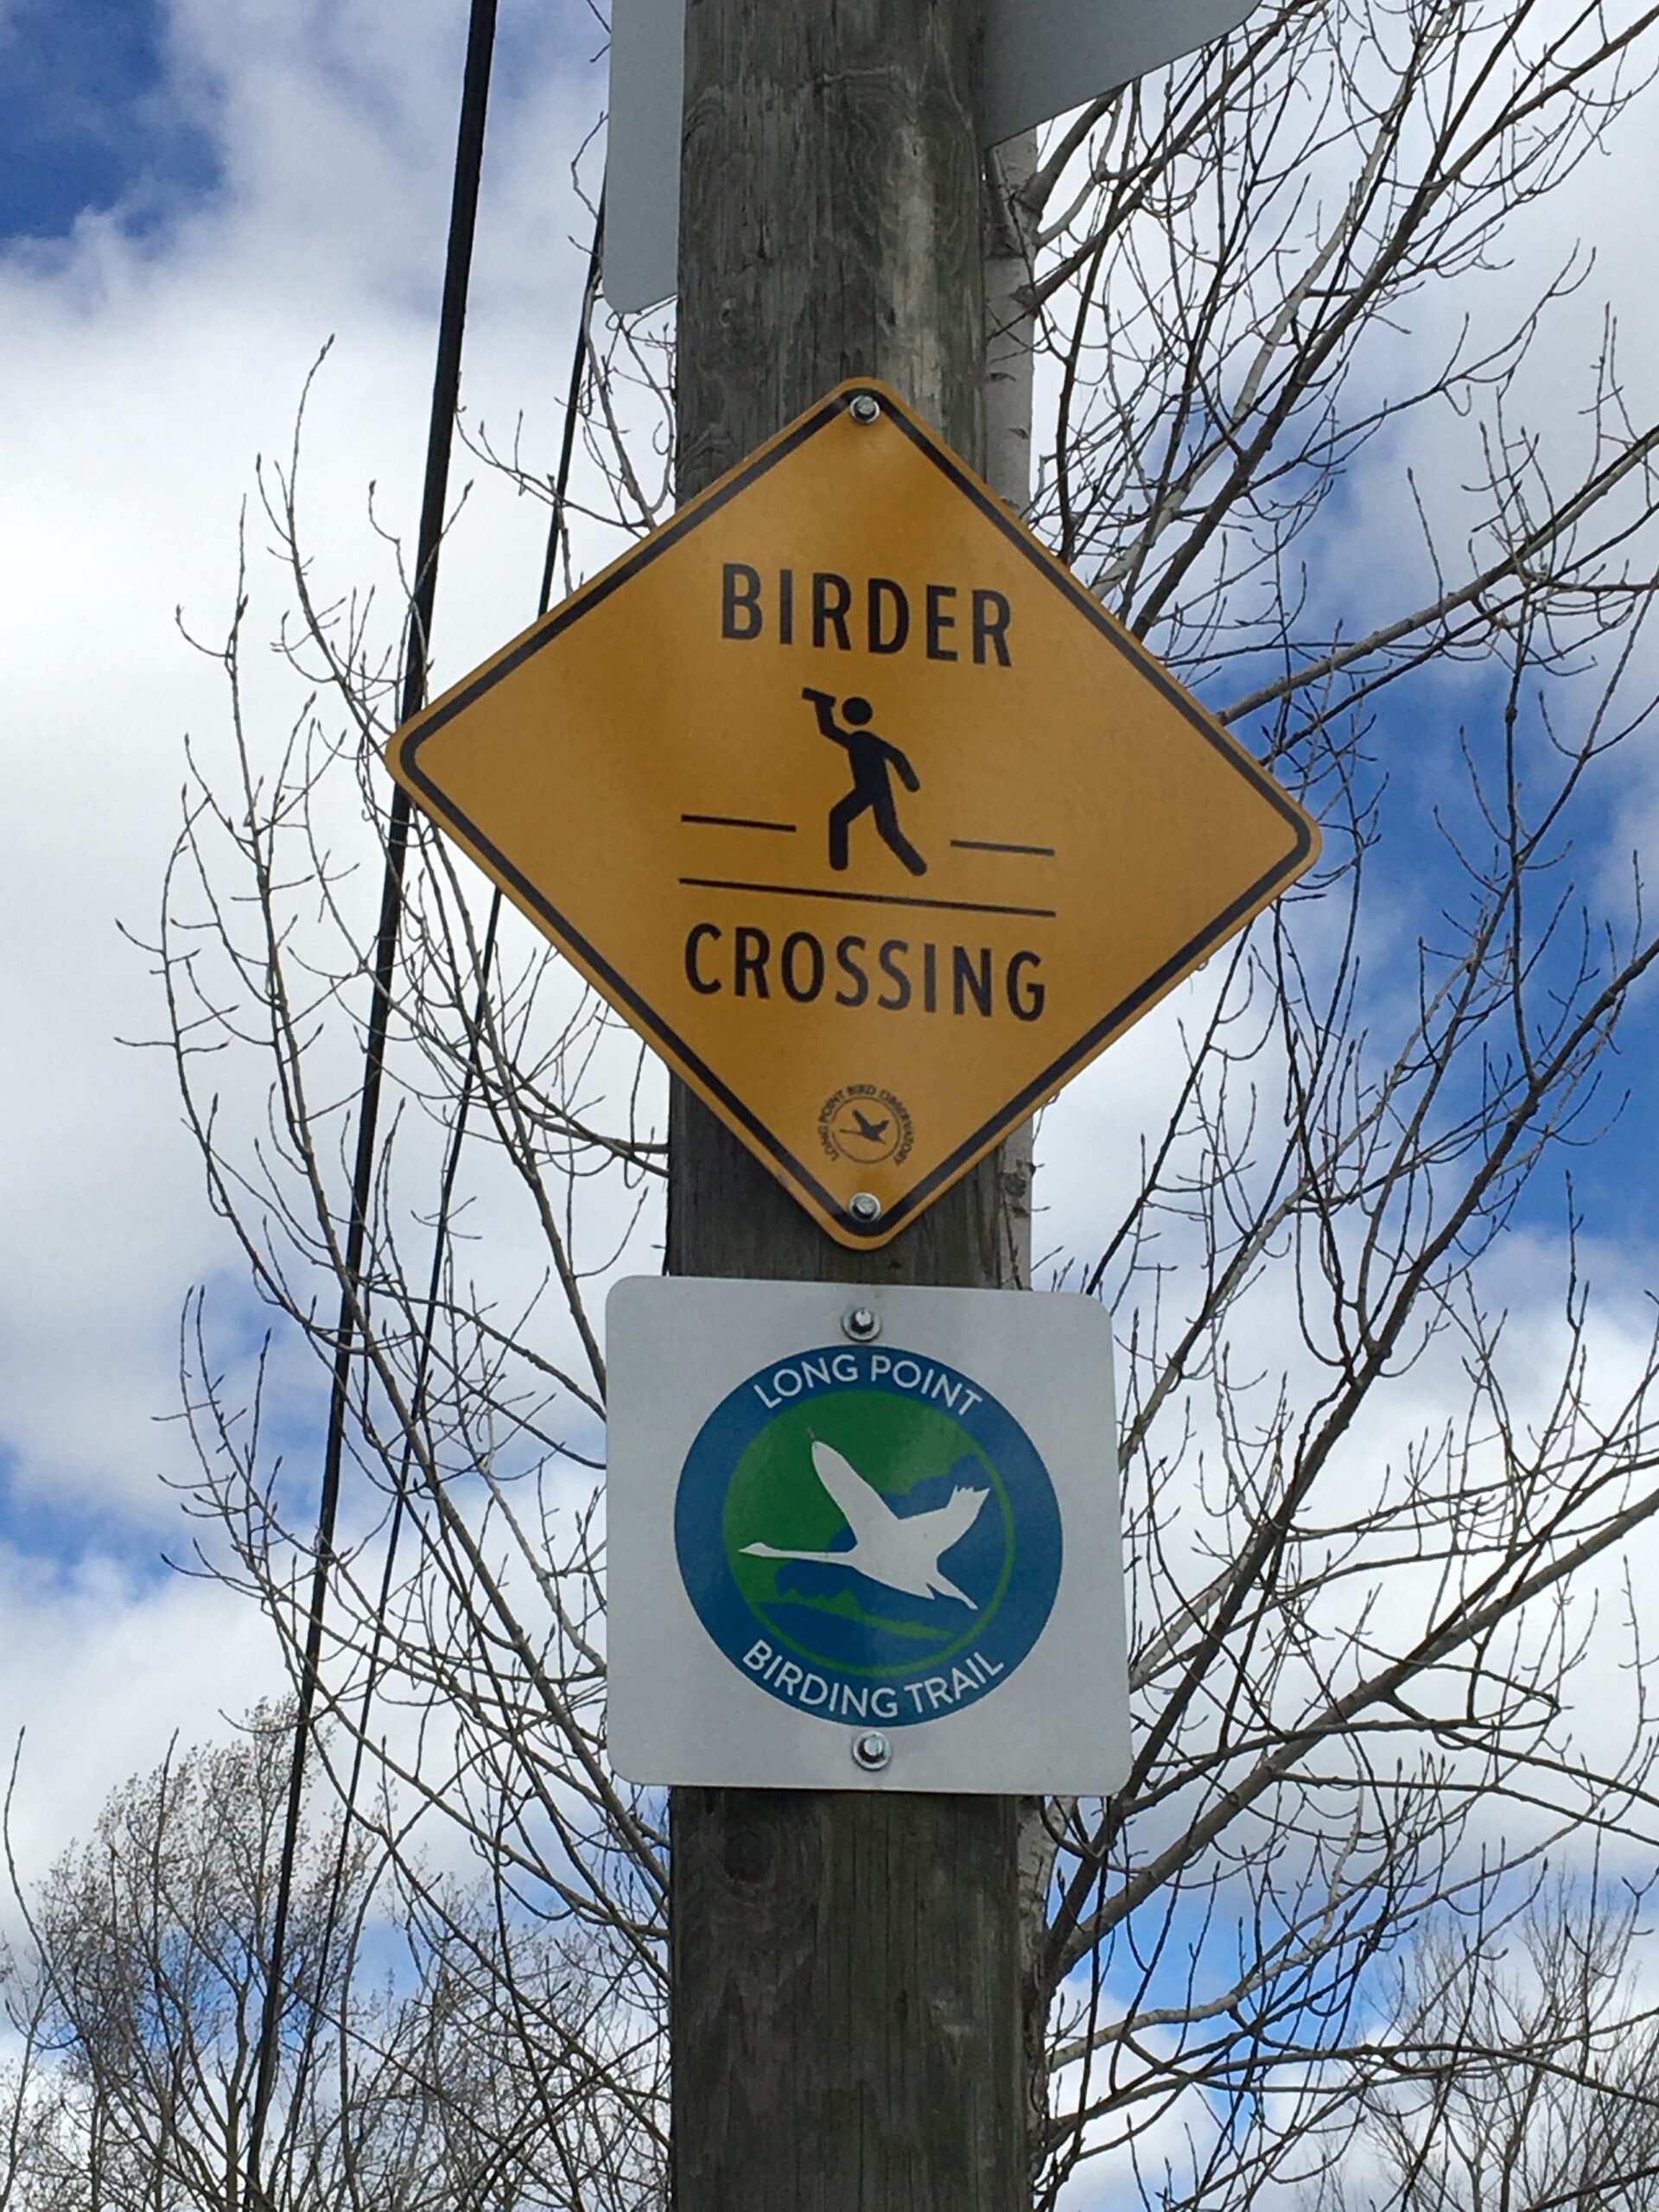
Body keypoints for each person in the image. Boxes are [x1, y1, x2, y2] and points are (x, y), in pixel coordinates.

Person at [802, 689, 927, 876]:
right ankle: (839, 864)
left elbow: (895, 755)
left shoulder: (864, 739)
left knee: (863, 823)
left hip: (873, 790)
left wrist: (911, 782)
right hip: (871, 790)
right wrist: (822, 705)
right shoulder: (857, 739)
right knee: (881, 828)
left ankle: (917, 867)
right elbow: (829, 730)